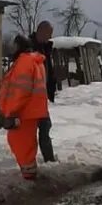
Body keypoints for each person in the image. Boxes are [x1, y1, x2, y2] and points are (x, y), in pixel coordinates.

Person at [0, 35, 50, 180]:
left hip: (23, 112)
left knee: (20, 143)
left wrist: (11, 112)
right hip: (31, 111)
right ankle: (29, 172)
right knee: (26, 144)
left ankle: (29, 174)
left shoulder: (24, 62)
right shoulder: (35, 61)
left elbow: (19, 91)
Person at [30, 20, 58, 163]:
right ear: (41, 31)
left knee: (45, 126)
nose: (50, 37)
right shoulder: (30, 48)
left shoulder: (46, 48)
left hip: (41, 96)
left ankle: (49, 158)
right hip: (31, 97)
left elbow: (48, 70)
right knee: (33, 129)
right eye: (48, 34)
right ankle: (29, 159)